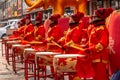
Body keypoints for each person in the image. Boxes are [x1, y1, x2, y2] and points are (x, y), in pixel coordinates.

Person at [86, 7, 113, 80]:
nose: (93, 18)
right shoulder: (95, 28)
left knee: (100, 77)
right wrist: (86, 46)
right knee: (95, 76)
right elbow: (92, 40)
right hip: (94, 56)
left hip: (100, 57)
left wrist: (90, 49)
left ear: (99, 17)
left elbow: (102, 44)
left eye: (94, 16)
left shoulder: (102, 29)